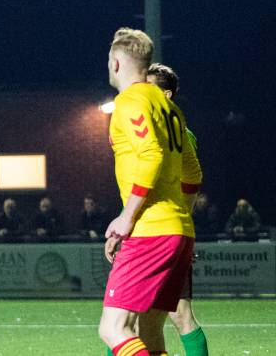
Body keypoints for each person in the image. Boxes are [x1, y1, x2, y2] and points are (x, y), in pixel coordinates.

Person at [98, 28, 202, 356]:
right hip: (177, 231)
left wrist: (127, 217)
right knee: (150, 330)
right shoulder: (171, 110)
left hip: (149, 232)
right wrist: (180, 218)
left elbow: (151, 154)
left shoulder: (129, 101)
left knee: (113, 328)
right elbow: (193, 174)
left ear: (115, 63)